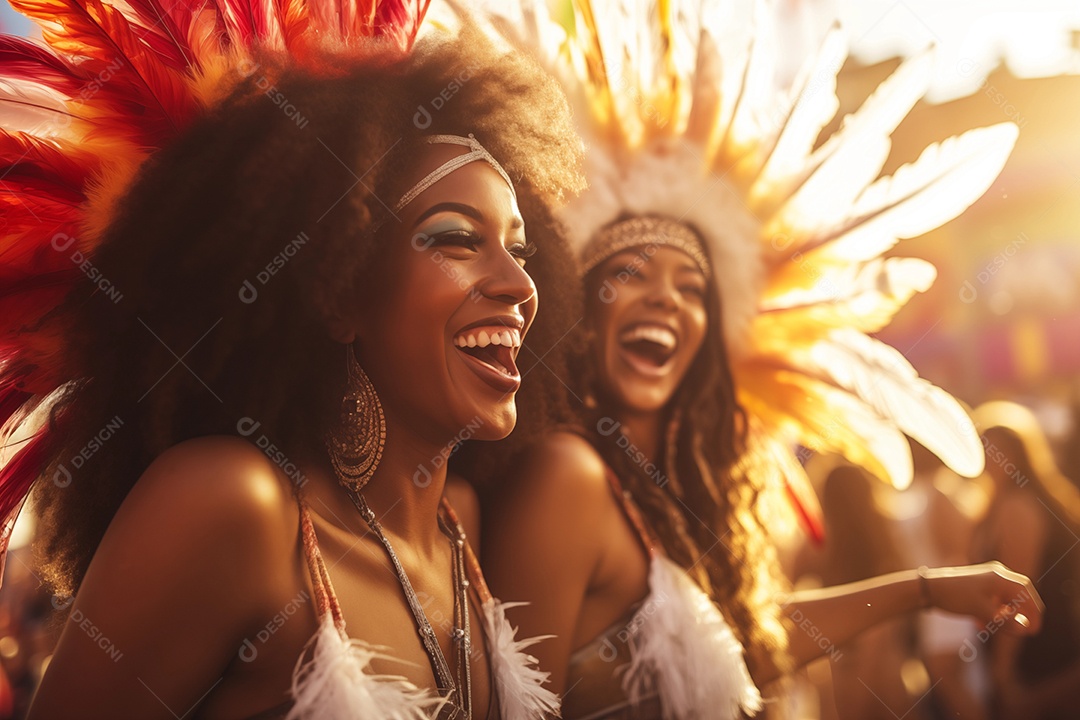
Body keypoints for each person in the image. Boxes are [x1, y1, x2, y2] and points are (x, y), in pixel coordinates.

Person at [0, 2, 582, 717]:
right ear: (339, 294)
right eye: (457, 239)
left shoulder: (464, 526)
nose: (520, 287)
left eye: (520, 251)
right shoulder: (235, 505)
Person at [471, 2, 1044, 718]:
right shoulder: (567, 476)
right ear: (578, 318)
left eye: (691, 288)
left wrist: (926, 588)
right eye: (633, 275)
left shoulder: (652, 499)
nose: (666, 301)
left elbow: (748, 643)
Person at [968, 401, 1080, 720]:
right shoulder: (1008, 502)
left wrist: (1002, 671)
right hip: (1051, 645)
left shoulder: (1017, 507)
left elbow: (1018, 591)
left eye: (993, 451)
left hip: (1036, 653)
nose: (985, 460)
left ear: (1014, 455)